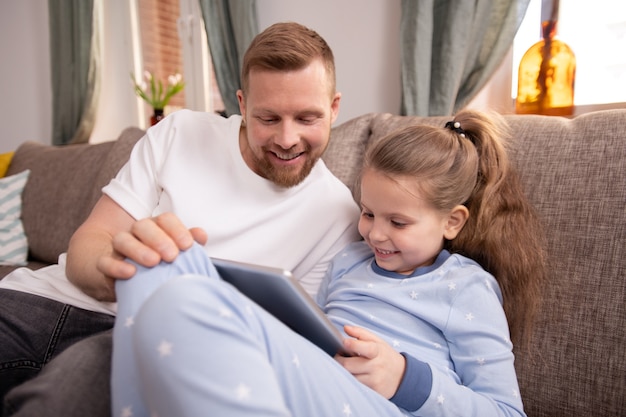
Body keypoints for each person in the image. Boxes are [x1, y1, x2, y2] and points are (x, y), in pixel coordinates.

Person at [0, 22, 361, 416]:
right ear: (242, 104)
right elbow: (90, 241)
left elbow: (288, 343)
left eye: (307, 119)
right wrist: (128, 273)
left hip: (148, 338)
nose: (287, 139)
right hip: (42, 300)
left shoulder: (338, 215)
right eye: (269, 119)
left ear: (334, 108)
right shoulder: (180, 132)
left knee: (58, 403)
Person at [111, 109, 547, 416]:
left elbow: (505, 412)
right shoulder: (348, 261)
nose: (375, 234)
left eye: (398, 221)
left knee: (181, 302)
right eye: (369, 213)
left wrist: (403, 377)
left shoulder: (466, 287)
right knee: (158, 262)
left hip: (381, 404)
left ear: (452, 221)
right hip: (318, 381)